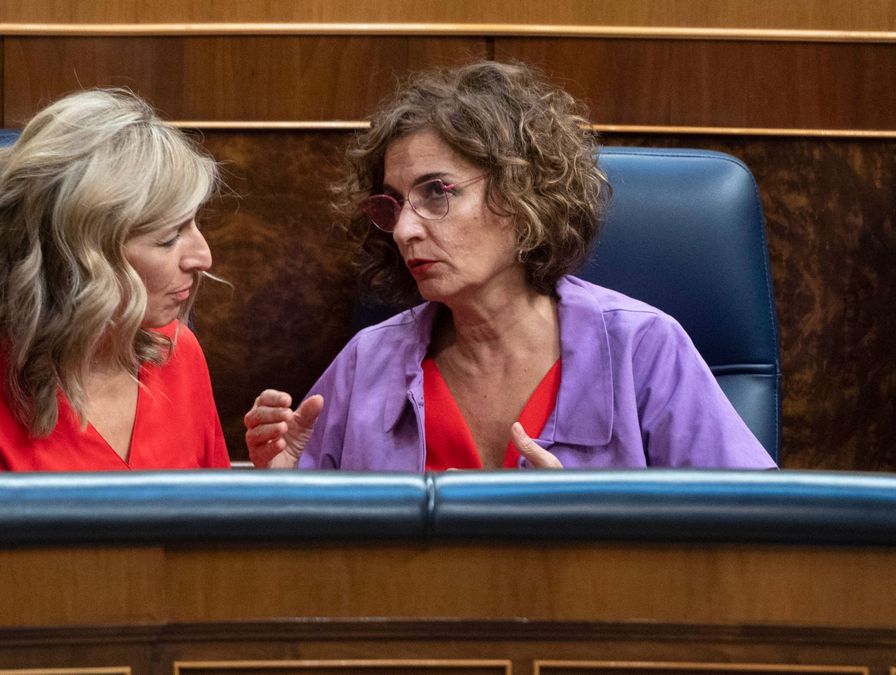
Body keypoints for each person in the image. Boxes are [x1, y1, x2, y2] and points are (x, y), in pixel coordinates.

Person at [245, 60, 776, 471]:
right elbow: (319, 570)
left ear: (522, 195)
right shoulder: (369, 362)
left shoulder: (644, 348)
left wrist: (601, 531)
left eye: (437, 192)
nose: (405, 230)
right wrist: (285, 486)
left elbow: (755, 533)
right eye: (394, 204)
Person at [0, 88, 230, 471]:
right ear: (80, 256)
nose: (203, 257)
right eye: (169, 238)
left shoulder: (178, 351)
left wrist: (277, 483)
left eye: (194, 224)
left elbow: (215, 525)